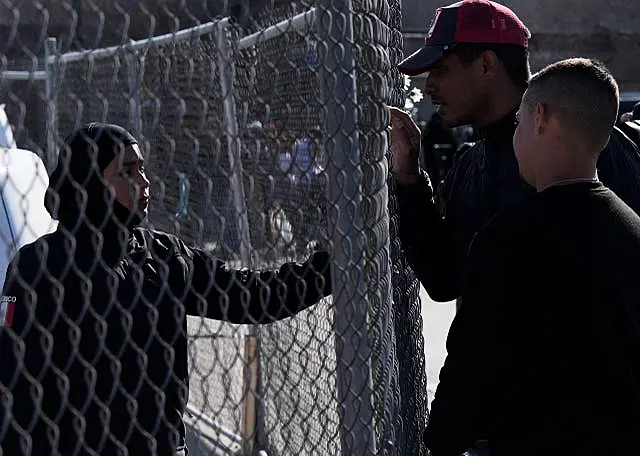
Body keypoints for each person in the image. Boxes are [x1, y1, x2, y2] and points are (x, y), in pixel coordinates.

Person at [0, 123, 332, 455]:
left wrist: (332, 267)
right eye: (127, 172)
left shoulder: (163, 256)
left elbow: (254, 298)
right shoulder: (39, 267)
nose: (144, 182)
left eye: (141, 168)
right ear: (90, 183)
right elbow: (14, 385)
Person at [425, 58, 640, 456]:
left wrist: (441, 440)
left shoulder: (507, 241)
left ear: (540, 117)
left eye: (519, 123)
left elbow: (469, 375)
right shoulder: (632, 230)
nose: (516, 136)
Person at [389, 0, 640, 305]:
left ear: (486, 65)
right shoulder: (470, 165)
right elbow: (443, 281)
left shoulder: (590, 145)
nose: (429, 86)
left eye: (441, 70)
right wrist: (411, 179)